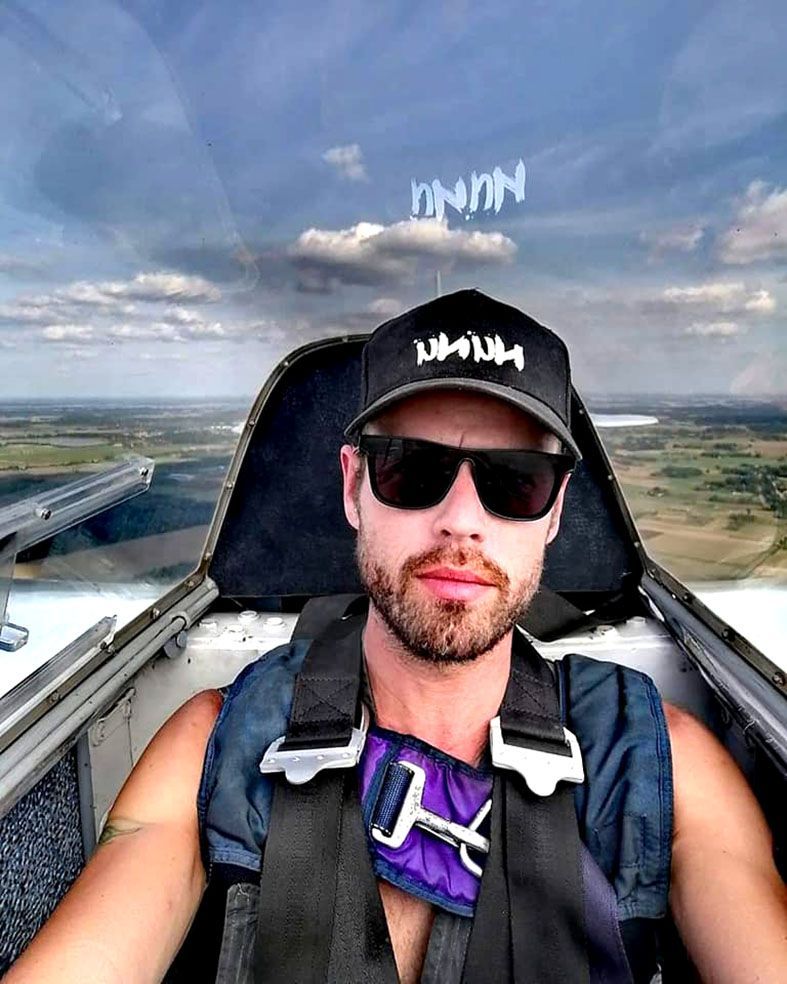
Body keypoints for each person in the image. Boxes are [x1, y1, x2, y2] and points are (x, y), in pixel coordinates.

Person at [7, 290, 787, 984]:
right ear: (353, 486)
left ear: (553, 512)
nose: (460, 520)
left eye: (513, 481)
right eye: (412, 470)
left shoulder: (655, 765)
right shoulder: (216, 747)